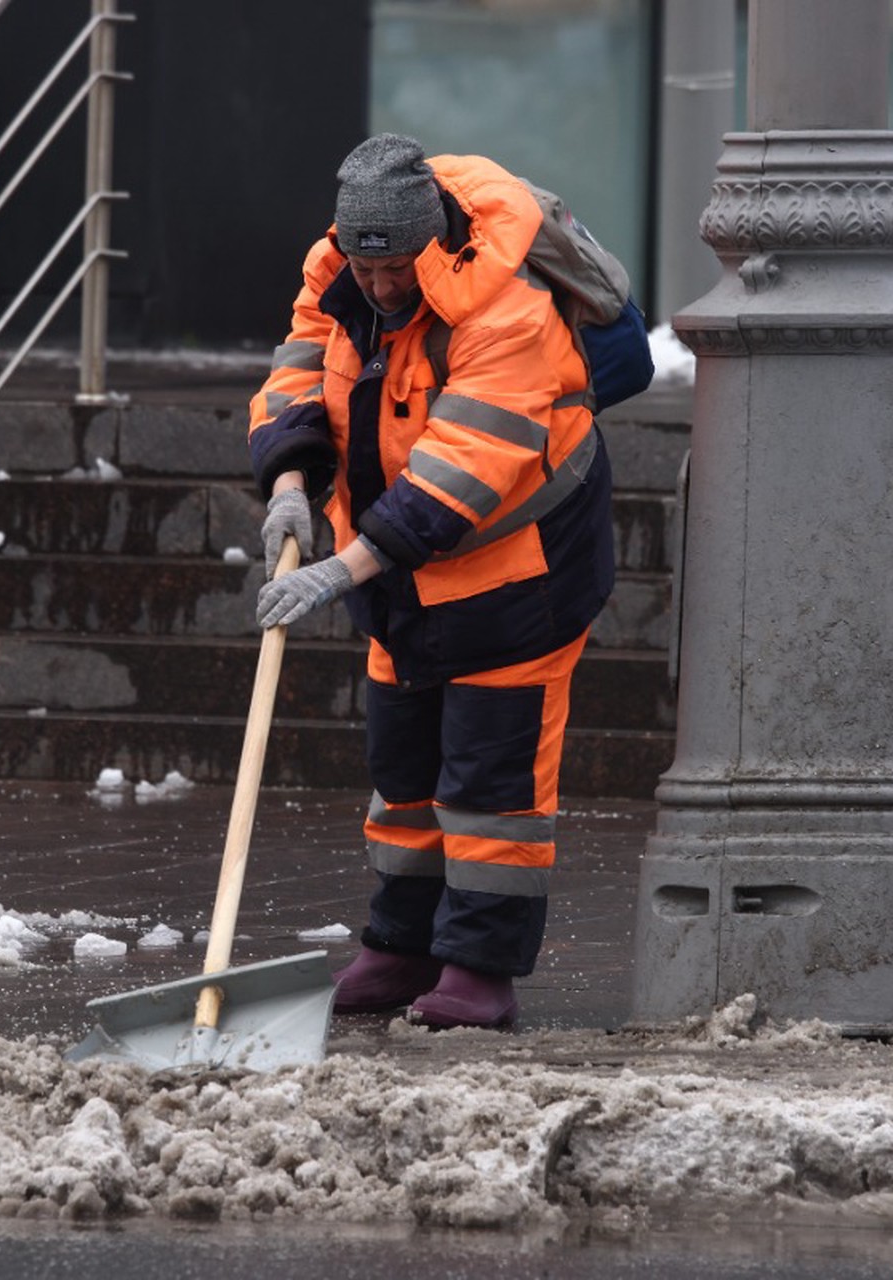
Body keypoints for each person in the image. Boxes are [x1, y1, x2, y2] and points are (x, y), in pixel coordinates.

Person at [244, 133, 618, 1030]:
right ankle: (400, 946)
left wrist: (341, 567)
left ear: (429, 242)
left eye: (396, 269)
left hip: (517, 580)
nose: (377, 287)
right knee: (403, 770)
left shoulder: (506, 311)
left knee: (493, 785)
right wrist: (291, 487)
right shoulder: (340, 270)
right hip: (400, 584)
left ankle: (480, 973)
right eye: (365, 268)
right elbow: (300, 367)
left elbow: (464, 472)